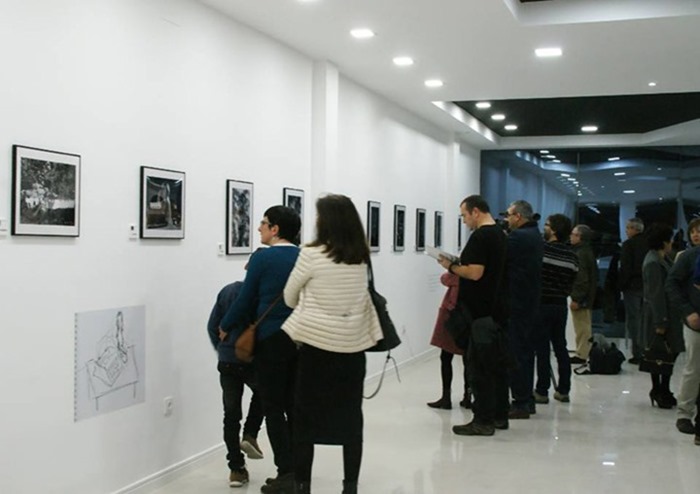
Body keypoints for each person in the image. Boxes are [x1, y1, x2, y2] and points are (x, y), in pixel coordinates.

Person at [282, 194, 382, 494]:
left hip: (315, 349)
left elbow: (289, 296)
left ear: (326, 221)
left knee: (305, 421)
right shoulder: (360, 256)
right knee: (351, 419)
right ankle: (349, 486)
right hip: (352, 350)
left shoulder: (311, 254)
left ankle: (303, 486)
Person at [219, 206, 301, 494]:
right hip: (299, 339)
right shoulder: (304, 256)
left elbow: (244, 299)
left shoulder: (264, 258)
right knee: (293, 405)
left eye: (263, 224)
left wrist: (225, 325)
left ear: (275, 229)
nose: (259, 229)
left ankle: (286, 472)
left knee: (273, 407)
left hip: (270, 341)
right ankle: (299, 470)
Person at [438, 195, 509, 436]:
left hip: (479, 313)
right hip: (494, 311)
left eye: (464, 215)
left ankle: (483, 420)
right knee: (494, 366)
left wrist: (450, 266)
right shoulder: (499, 234)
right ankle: (499, 416)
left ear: (476, 212)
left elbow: (475, 273)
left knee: (480, 367)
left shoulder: (482, 236)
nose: (464, 220)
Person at [207, 275, 265, 488]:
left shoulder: (227, 291)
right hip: (253, 360)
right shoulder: (261, 295)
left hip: (228, 362)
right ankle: (250, 433)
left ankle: (236, 469)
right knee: (264, 394)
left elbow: (212, 326)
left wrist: (223, 349)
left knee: (230, 416)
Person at [502, 200, 543, 419]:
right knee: (526, 352)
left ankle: (520, 401)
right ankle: (526, 399)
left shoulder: (518, 237)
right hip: (529, 302)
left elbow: (500, 261)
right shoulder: (534, 234)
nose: (506, 220)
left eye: (508, 215)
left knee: (517, 352)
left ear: (518, 216)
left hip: (518, 303)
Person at [533, 214, 579, 404]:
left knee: (542, 349)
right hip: (560, 304)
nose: (544, 228)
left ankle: (542, 390)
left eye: (547, 225)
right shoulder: (572, 256)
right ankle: (564, 389)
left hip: (542, 303)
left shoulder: (542, 250)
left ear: (553, 230)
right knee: (561, 347)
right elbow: (572, 281)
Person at [642, 224, 683, 409]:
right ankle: (658, 389)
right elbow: (656, 293)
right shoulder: (653, 262)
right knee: (660, 351)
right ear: (664, 242)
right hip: (659, 314)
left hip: (667, 313)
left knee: (666, 351)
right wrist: (660, 321)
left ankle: (663, 389)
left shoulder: (663, 258)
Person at [666, 238, 700, 442]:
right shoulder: (689, 257)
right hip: (695, 322)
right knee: (693, 368)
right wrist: (687, 312)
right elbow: (672, 284)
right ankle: (684, 413)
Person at [426, 271, 470, 410]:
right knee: (467, 359)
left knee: (446, 358)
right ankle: (468, 396)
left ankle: (446, 398)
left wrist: (452, 267)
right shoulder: (473, 276)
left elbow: (444, 279)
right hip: (467, 317)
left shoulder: (457, 275)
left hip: (452, 317)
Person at [619, 218, 648, 363]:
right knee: (645, 319)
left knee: (633, 320)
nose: (626, 230)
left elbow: (626, 268)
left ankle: (638, 353)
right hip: (648, 286)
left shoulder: (628, 245)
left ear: (635, 229)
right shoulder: (649, 244)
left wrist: (621, 285)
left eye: (628, 227)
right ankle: (647, 349)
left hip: (632, 286)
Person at [569, 224, 598, 364]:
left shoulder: (580, 254)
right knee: (583, 325)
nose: (571, 236)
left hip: (582, 297)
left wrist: (577, 298)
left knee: (582, 326)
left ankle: (582, 354)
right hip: (587, 295)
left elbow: (581, 279)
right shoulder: (586, 251)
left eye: (573, 234)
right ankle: (582, 352)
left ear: (579, 237)